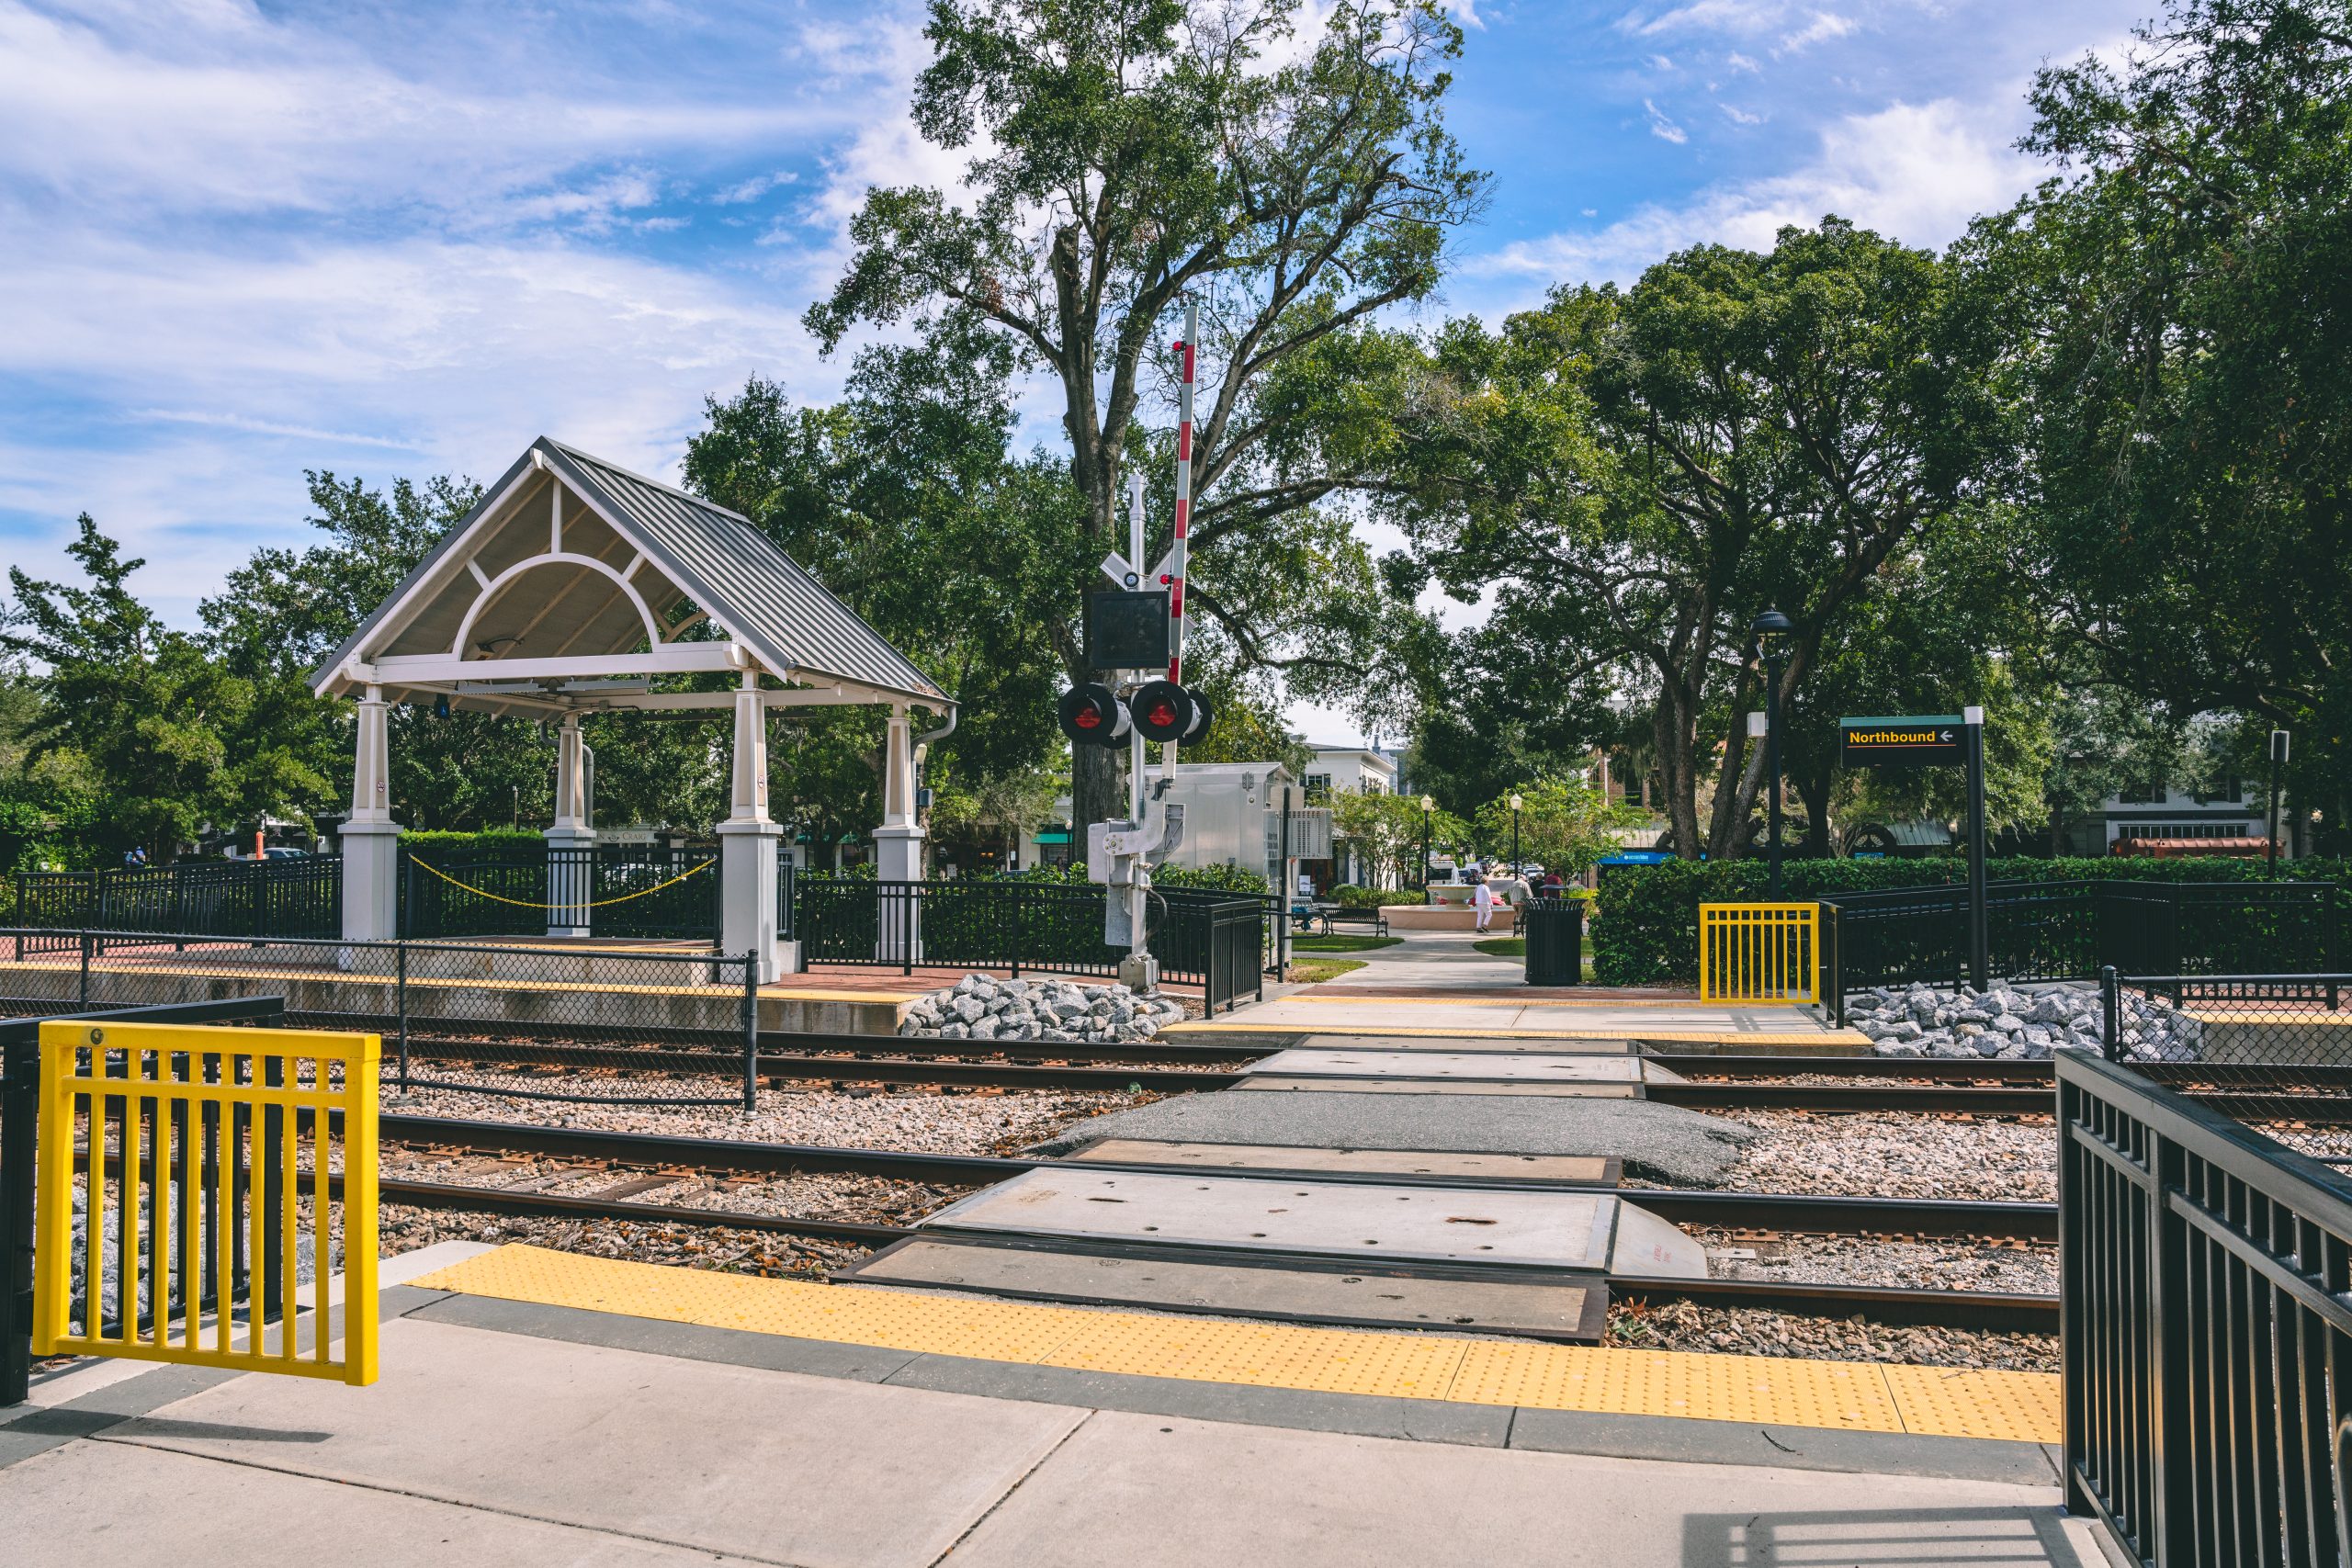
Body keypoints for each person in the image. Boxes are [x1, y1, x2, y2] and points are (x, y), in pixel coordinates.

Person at [1471, 868, 1495, 932]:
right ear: (1486, 882)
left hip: (1478, 902)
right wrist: (1491, 904)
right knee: (1489, 915)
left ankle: (1478, 928)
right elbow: (1488, 896)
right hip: (1484, 902)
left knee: (1480, 915)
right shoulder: (1486, 887)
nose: (1488, 883)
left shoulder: (1477, 886)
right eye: (1488, 881)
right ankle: (1484, 926)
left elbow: (1475, 894)